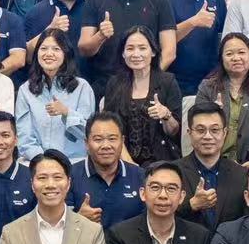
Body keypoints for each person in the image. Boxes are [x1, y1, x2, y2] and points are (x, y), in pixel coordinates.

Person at [193, 32, 249, 163]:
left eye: (241, 52)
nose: (236, 58)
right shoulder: (208, 87)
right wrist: (213, 114)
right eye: (229, 54)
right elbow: (197, 127)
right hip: (213, 161)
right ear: (221, 59)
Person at [102, 29, 183, 164]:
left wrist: (166, 115)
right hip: (124, 161)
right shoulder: (114, 84)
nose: (136, 54)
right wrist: (130, 165)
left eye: (142, 48)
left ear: (153, 52)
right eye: (130, 48)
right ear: (123, 53)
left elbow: (174, 131)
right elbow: (111, 128)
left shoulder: (167, 82)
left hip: (161, 161)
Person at [14, 29, 96, 160]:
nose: (49, 54)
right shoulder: (26, 90)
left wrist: (66, 112)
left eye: (56, 49)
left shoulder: (82, 87)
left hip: (74, 161)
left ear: (66, 54)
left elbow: (89, 133)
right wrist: (42, 162)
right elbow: (24, 136)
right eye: (43, 48)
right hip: (36, 162)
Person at [164, 0, 230, 97]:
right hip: (173, 81)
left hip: (211, 81)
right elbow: (158, 42)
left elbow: (223, 37)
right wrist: (193, 22)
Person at [178, 101, 248, 227]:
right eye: (200, 130)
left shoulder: (241, 175)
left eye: (214, 130)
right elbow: (158, 215)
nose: (208, 136)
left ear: (224, 133)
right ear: (189, 133)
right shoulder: (174, 172)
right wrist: (191, 205)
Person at [69, 112, 146, 226]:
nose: (106, 146)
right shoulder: (70, 176)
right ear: (86, 143)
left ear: (122, 141)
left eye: (112, 139)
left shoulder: (140, 177)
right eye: (98, 139)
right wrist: (78, 219)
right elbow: (57, 225)